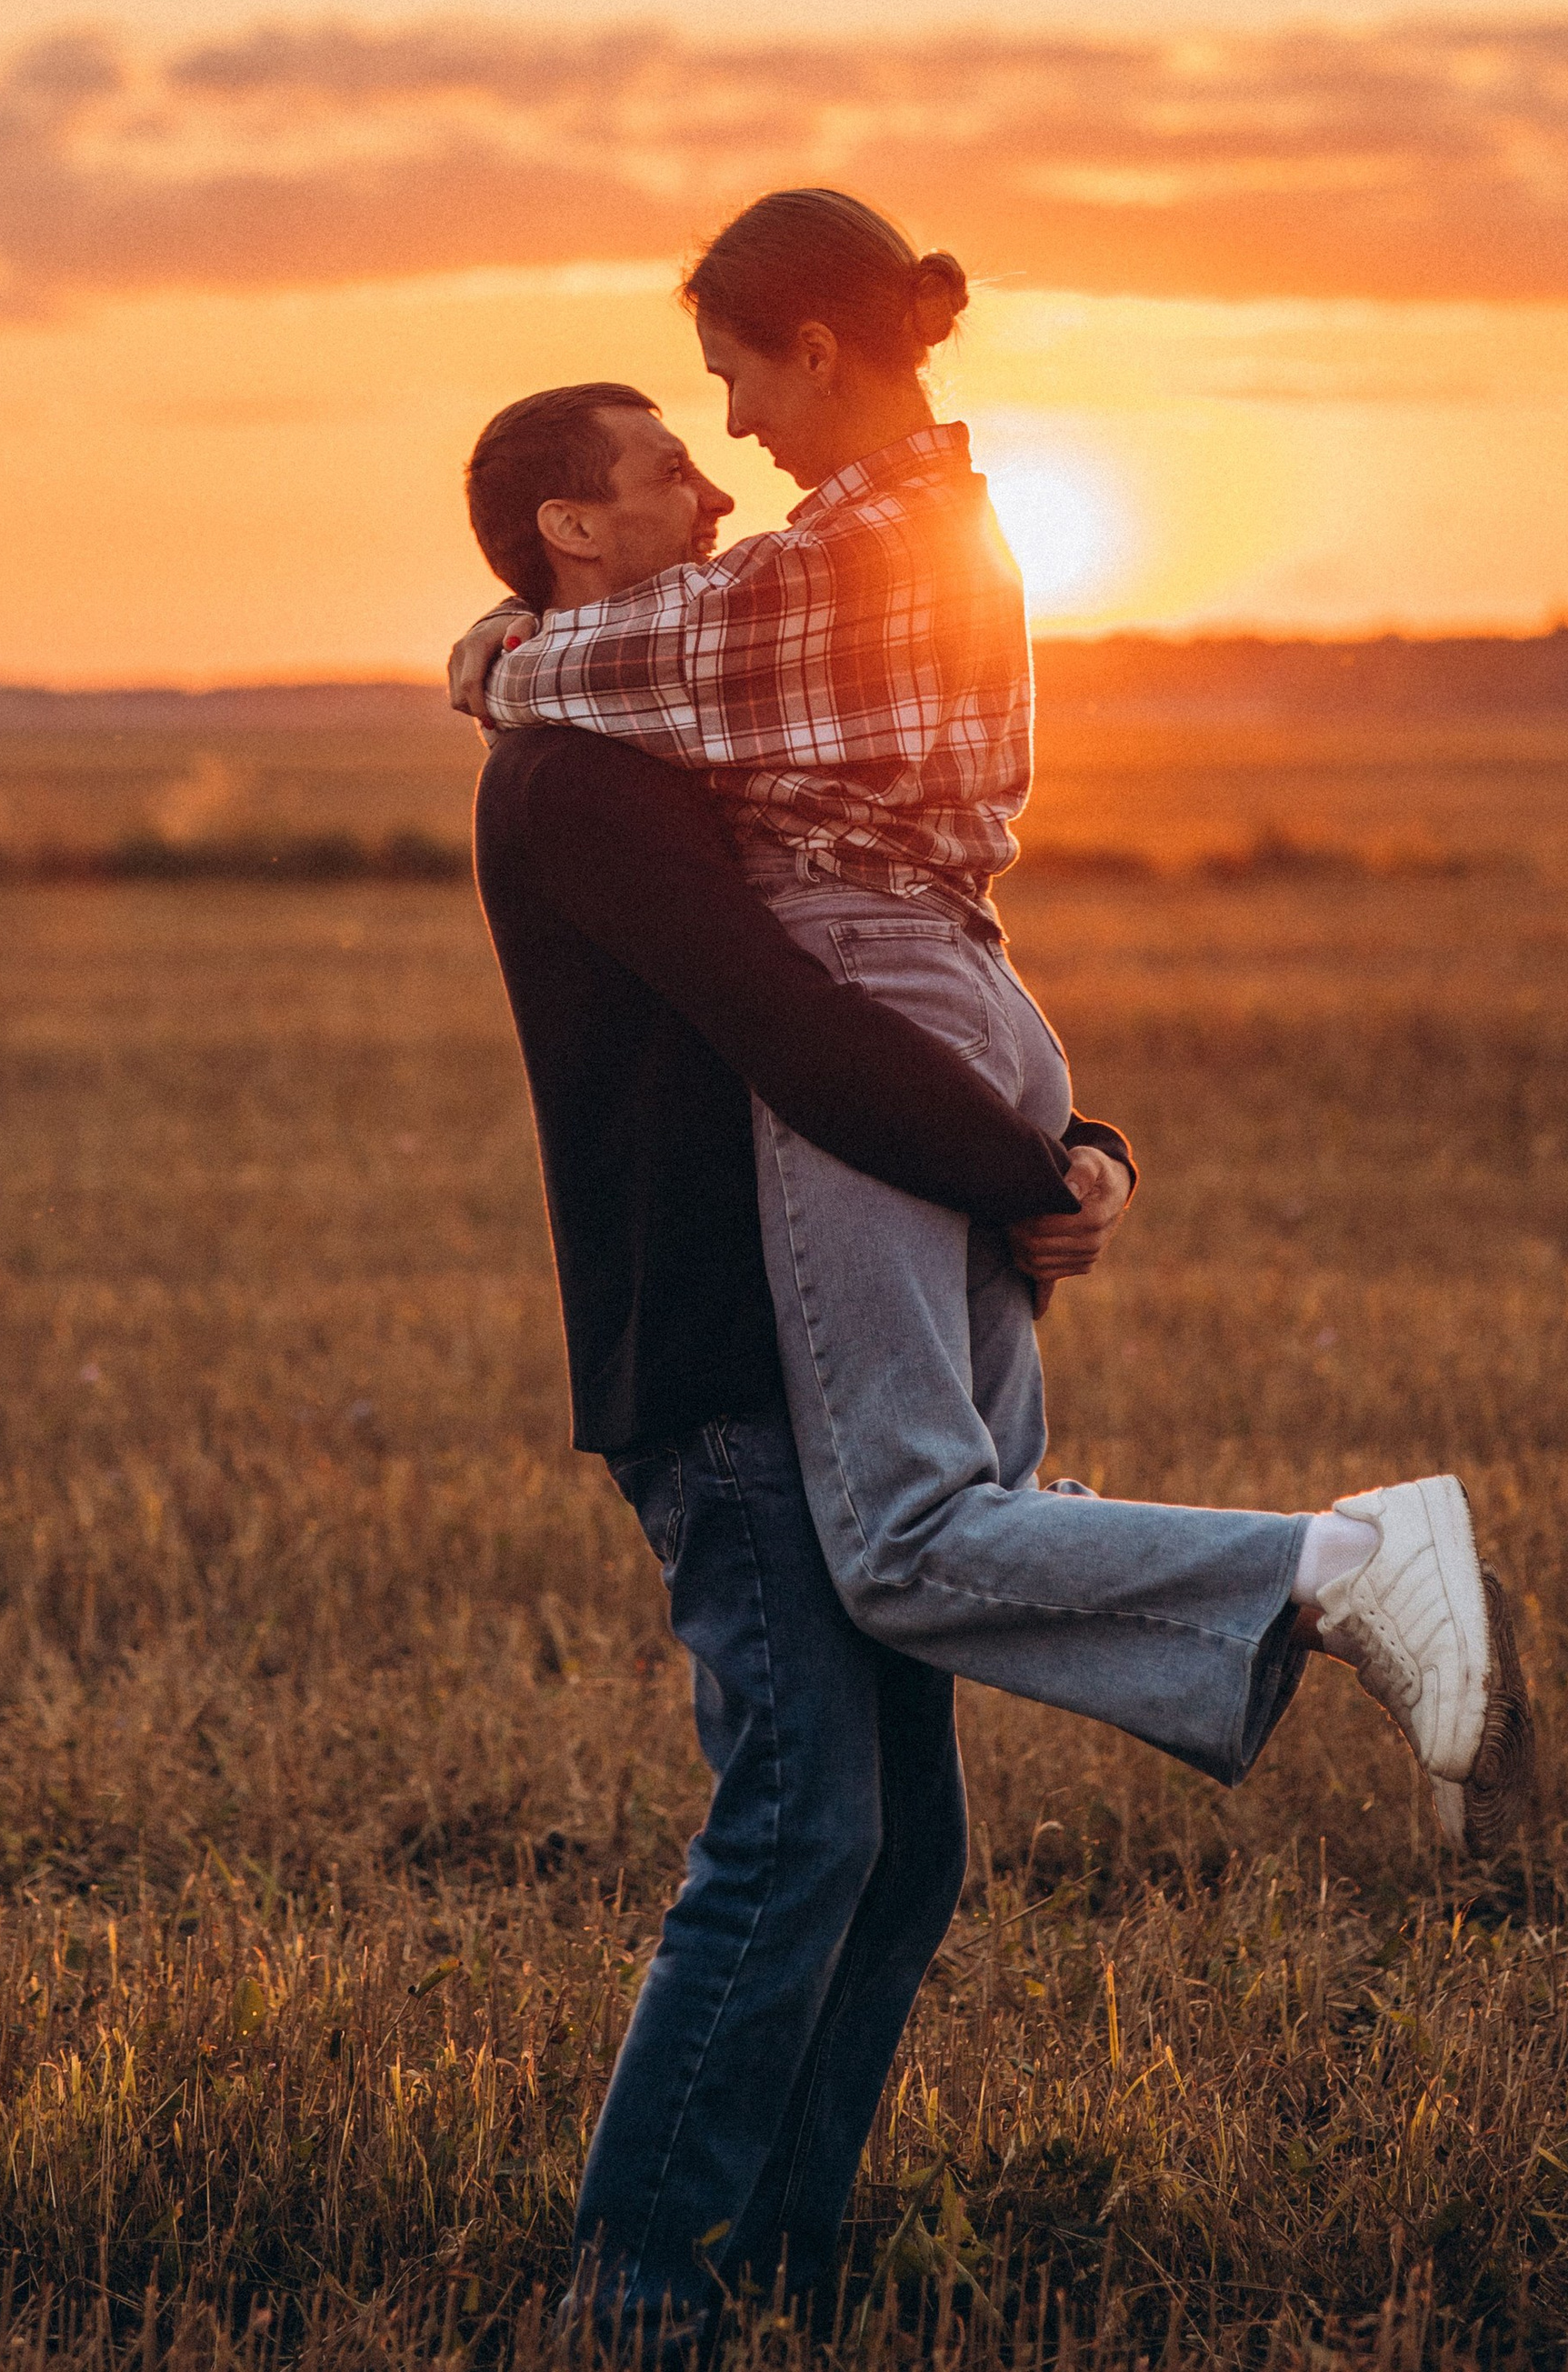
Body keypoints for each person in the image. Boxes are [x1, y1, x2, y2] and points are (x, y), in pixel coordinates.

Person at [452, 195, 1536, 1859]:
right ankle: (1339, 1602)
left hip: (877, 987)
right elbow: (646, 643)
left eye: (733, 376)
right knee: (975, 1528)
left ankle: (1338, 1567)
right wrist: (1052, 1136)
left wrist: (500, 643)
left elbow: (604, 661)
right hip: (973, 987)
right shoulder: (941, 531)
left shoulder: (844, 560)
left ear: (818, 349)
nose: (730, 431)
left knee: (901, 1541)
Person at [465, 379, 1143, 2351]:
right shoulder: (577, 779)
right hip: (715, 1346)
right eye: (658, 463)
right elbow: (791, 1018)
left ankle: (781, 2253)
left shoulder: (658, 728)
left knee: (899, 1839)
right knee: (798, 1824)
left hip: (817, 1334)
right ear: (568, 531)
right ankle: (643, 2281)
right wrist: (1026, 1168)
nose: (711, 477)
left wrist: (1079, 1144)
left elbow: (901, 942)